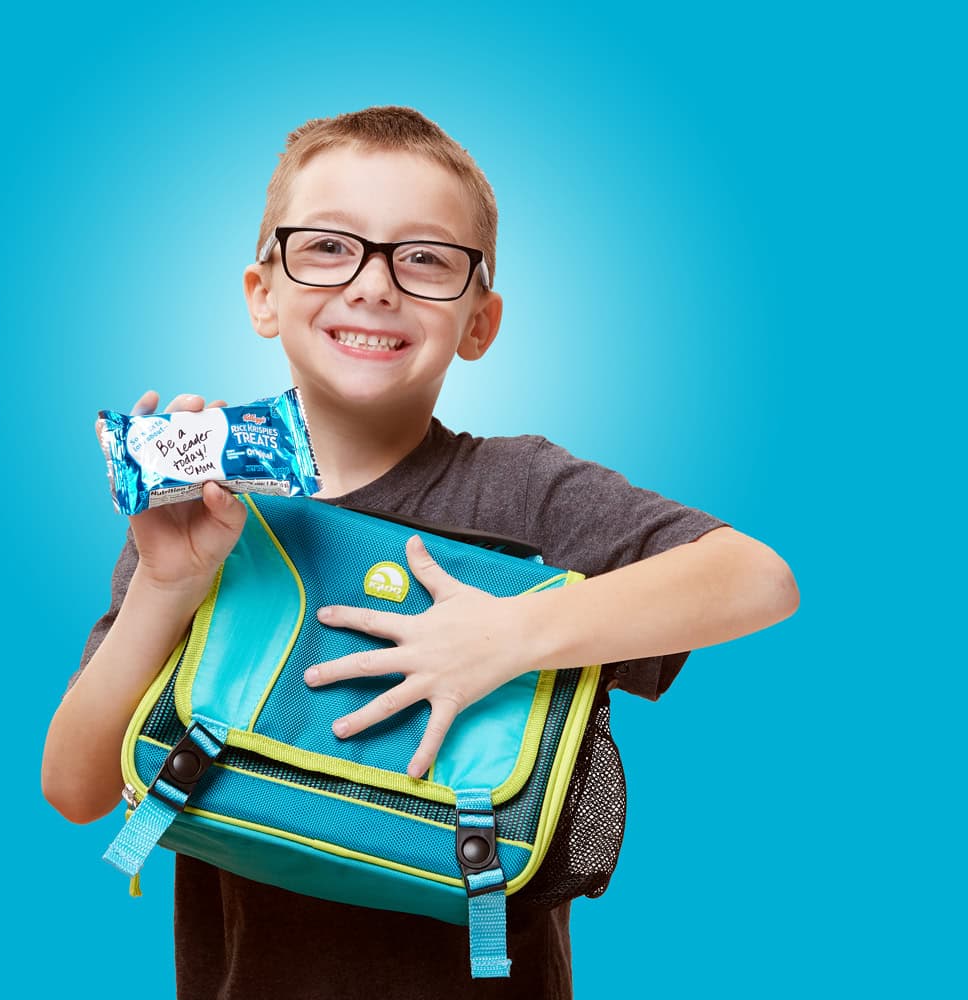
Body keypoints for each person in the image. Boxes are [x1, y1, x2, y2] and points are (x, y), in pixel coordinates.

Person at [42, 106, 799, 999]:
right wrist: (168, 584)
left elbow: (758, 577)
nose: (373, 285)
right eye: (328, 247)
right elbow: (79, 789)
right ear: (262, 292)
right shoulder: (203, 500)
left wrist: (508, 637)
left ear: (480, 322)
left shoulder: (524, 489)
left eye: (425, 259)